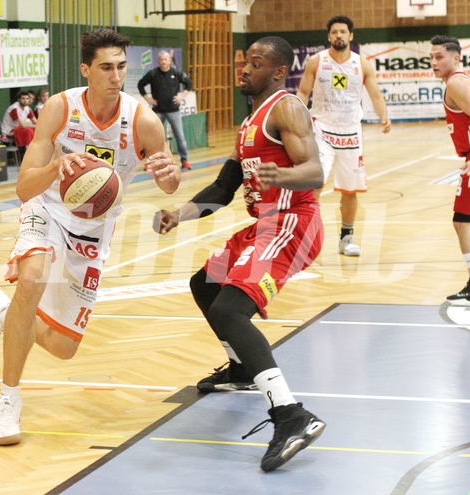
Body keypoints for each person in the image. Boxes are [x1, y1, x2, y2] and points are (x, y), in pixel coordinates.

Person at [0, 28, 180, 447]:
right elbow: (24, 187)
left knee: (64, 347)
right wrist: (58, 166)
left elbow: (169, 184)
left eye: (121, 67)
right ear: (86, 69)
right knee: (29, 282)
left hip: (94, 229)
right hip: (46, 208)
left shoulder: (143, 120)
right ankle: (8, 402)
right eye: (105, 67)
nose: (115, 75)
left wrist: (170, 177)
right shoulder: (59, 108)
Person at [153, 36, 325, 472]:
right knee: (204, 284)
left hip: (292, 223)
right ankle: (241, 369)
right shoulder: (250, 121)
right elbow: (224, 189)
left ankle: (291, 415)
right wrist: (180, 213)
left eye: (255, 62)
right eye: (244, 61)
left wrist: (283, 173)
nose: (244, 68)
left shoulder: (286, 107)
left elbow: (315, 172)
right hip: (264, 224)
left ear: (277, 70)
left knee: (231, 309)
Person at [297, 15, 390, 257]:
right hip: (321, 131)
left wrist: (384, 116)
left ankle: (346, 238)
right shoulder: (317, 61)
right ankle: (303, 238)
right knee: (314, 184)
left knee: (350, 190)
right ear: (329, 36)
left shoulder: (363, 64)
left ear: (351, 36)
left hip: (351, 134)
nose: (339, 35)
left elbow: (376, 95)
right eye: (334, 32)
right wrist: (295, 120)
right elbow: (303, 92)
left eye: (343, 31)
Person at [430, 35, 470, 305]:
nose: (434, 62)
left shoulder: (457, 83)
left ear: (456, 57)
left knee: (462, 220)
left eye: (440, 56)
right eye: (432, 57)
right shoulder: (460, 81)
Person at [137, 51, 193, 170]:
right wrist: (148, 99)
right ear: (158, 61)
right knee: (152, 138)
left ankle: (185, 160)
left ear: (170, 61)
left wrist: (182, 96)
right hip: (158, 111)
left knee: (180, 137)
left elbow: (189, 84)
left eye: (166, 59)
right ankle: (151, 163)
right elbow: (140, 85)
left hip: (174, 111)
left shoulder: (177, 73)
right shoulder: (153, 73)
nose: (163, 61)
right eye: (161, 59)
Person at [0, 90, 37, 154]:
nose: (25, 101)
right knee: (28, 131)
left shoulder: (27, 108)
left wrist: (40, 126)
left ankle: (34, 150)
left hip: (19, 129)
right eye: (23, 98)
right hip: (9, 131)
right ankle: (27, 152)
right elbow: (23, 125)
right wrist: (37, 126)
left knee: (36, 130)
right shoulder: (14, 109)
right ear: (18, 99)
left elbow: (36, 121)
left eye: (27, 99)